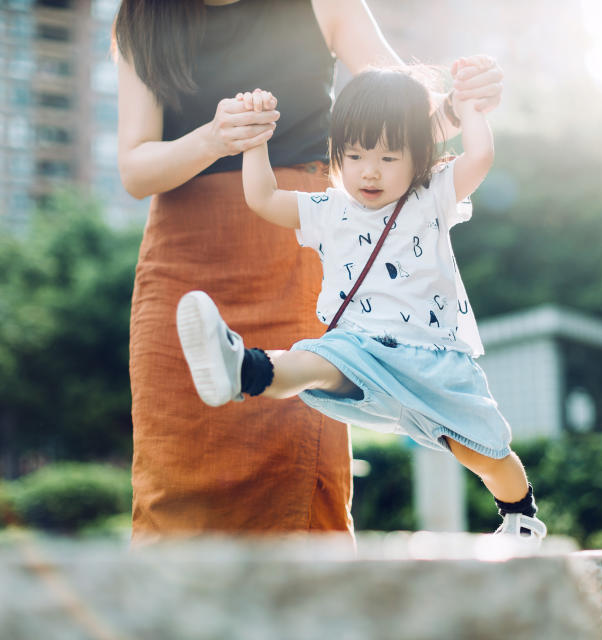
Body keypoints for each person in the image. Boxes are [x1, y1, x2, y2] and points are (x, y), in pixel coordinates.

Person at [114, 0, 506, 545]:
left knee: (297, 474)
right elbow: (134, 170)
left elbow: (406, 127)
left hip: (300, 241)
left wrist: (465, 106)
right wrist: (215, 138)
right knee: (173, 471)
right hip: (184, 259)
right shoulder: (142, 15)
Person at [176, 69, 547, 539]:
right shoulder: (327, 210)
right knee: (316, 360)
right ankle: (242, 368)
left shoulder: (431, 196)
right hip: (362, 349)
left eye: (389, 157)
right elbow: (262, 198)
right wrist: (256, 141)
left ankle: (520, 517)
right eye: (355, 155)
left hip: (433, 359)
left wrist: (471, 108)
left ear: (419, 157)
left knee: (485, 451)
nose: (370, 171)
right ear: (337, 155)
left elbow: (481, 155)